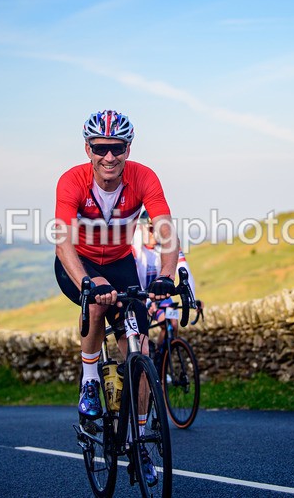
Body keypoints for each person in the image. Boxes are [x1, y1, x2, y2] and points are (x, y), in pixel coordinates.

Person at [54, 110, 179, 485]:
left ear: (128, 149)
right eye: (101, 148)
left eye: (118, 148)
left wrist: (167, 275)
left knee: (140, 346)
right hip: (78, 262)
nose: (109, 156)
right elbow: (62, 243)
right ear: (88, 149)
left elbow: (166, 231)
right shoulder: (72, 181)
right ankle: (90, 381)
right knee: (95, 300)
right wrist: (86, 282)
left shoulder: (144, 177)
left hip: (121, 263)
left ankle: (139, 440)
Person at [132, 210, 203, 362]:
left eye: (157, 229)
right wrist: (146, 302)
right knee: (140, 336)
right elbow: (134, 279)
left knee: (172, 324)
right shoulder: (136, 249)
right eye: (150, 229)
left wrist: (192, 299)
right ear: (141, 229)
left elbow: (184, 270)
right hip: (141, 295)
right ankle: (145, 362)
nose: (154, 233)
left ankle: (161, 361)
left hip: (160, 295)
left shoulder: (166, 248)